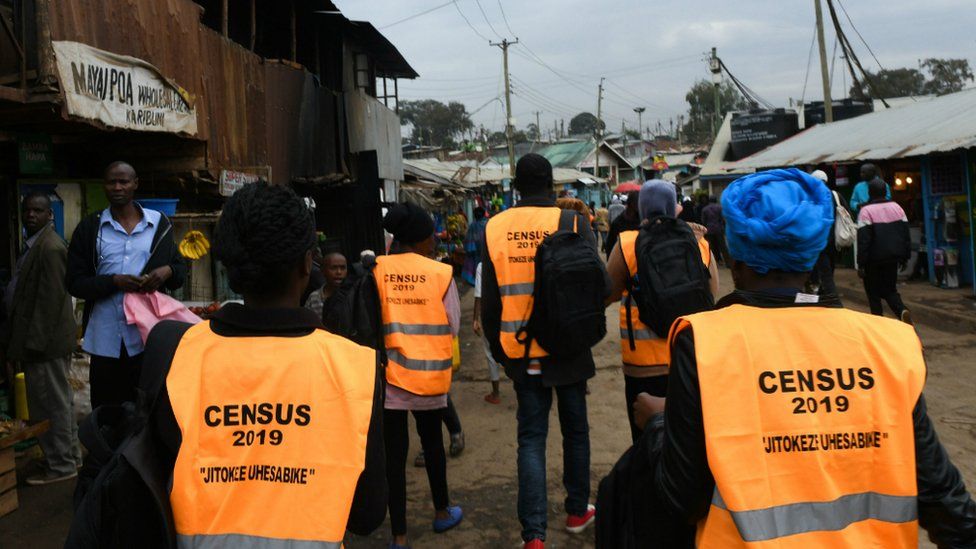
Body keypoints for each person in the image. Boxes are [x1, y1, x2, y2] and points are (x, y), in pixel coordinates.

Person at [634, 168, 976, 548]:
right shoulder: (890, 343)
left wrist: (659, 423)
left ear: (732, 251)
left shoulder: (703, 340)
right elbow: (949, 507)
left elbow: (682, 497)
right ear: (815, 252)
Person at [146, 181, 386, 546]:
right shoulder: (357, 370)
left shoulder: (176, 354)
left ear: (228, 266)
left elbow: (154, 489)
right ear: (308, 263)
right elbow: (366, 514)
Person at [481, 153, 599, 548]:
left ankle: (534, 536)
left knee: (531, 439)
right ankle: (577, 511)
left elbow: (492, 300)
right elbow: (594, 283)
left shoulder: (494, 227)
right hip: (569, 347)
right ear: (552, 185)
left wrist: (503, 353)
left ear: (516, 186)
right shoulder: (574, 222)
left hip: (521, 350)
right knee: (576, 432)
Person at [376, 202, 464, 548]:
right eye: (431, 237)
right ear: (421, 239)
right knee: (433, 447)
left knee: (394, 459)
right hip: (428, 380)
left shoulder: (376, 269)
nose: (434, 243)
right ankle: (442, 513)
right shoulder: (441, 274)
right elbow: (453, 325)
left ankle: (399, 536)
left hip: (389, 381)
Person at [605, 181, 718, 442]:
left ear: (643, 207)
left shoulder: (627, 244)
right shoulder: (698, 242)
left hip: (642, 364)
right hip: (688, 356)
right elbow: (711, 292)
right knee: (690, 437)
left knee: (646, 440)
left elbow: (608, 294)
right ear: (673, 205)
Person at [66, 161, 186, 409]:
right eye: (112, 182)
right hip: (105, 339)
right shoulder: (91, 228)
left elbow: (179, 273)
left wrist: (167, 271)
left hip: (147, 338)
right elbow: (75, 283)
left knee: (148, 408)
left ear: (135, 184)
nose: (117, 187)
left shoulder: (158, 225)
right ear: (104, 186)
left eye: (124, 181)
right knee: (106, 412)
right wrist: (113, 282)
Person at [2, 192, 80, 485]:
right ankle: (69, 458)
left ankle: (61, 465)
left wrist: (30, 346)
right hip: (41, 343)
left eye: (38, 211)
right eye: (27, 210)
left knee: (50, 404)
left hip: (44, 345)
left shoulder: (49, 248)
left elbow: (50, 302)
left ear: (50, 215)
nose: (31, 215)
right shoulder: (37, 244)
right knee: (58, 401)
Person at [857, 178, 913, 323]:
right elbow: (906, 234)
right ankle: (902, 311)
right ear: (885, 191)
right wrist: (906, 256)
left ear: (870, 193)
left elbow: (864, 241)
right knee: (890, 290)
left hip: (872, 261)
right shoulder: (897, 208)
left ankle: (879, 324)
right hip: (893, 258)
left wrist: (861, 264)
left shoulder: (865, 211)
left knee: (873, 294)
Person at [809, 169, 848, 297]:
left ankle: (833, 300)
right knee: (829, 270)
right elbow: (847, 214)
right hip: (835, 242)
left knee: (825, 274)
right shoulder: (837, 195)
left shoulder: (812, 197)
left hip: (820, 241)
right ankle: (823, 295)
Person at [472, 261, 502, 404]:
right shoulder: (509, 258)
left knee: (490, 353)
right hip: (510, 311)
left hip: (489, 313)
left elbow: (479, 294)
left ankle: (496, 394)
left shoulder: (482, 265)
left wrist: (475, 319)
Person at [305, 251, 347, 319]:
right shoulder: (314, 298)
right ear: (323, 271)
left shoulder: (352, 295)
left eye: (343, 268)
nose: (339, 272)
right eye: (333, 268)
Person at [604, 191, 641, 259]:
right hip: (624, 259)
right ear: (632, 204)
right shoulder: (618, 222)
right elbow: (610, 244)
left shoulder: (642, 219)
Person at [700, 196, 730, 267]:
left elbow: (703, 220)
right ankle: (728, 263)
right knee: (723, 246)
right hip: (719, 229)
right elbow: (723, 219)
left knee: (711, 247)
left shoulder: (705, 209)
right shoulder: (720, 208)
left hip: (709, 230)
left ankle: (712, 264)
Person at [462, 207, 488, 286]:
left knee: (476, 266)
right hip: (487, 249)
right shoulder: (489, 223)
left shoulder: (473, 225)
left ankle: (477, 281)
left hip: (476, 251)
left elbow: (468, 239)